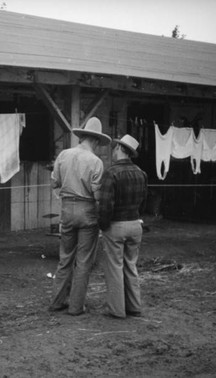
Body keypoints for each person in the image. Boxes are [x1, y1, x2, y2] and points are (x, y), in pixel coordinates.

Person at [49, 117, 111, 315]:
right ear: (95, 140)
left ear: (82, 136)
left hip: (67, 209)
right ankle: (76, 306)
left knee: (65, 257)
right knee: (84, 260)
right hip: (87, 211)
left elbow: (54, 183)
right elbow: (97, 194)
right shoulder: (95, 162)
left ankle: (57, 301)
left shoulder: (64, 155)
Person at [98, 134, 148, 318]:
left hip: (116, 225)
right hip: (135, 224)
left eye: (115, 147)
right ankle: (134, 306)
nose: (113, 150)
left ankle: (117, 310)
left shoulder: (111, 173)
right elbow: (144, 203)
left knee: (115, 268)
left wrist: (103, 226)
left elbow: (105, 205)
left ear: (120, 149)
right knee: (131, 266)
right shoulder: (141, 173)